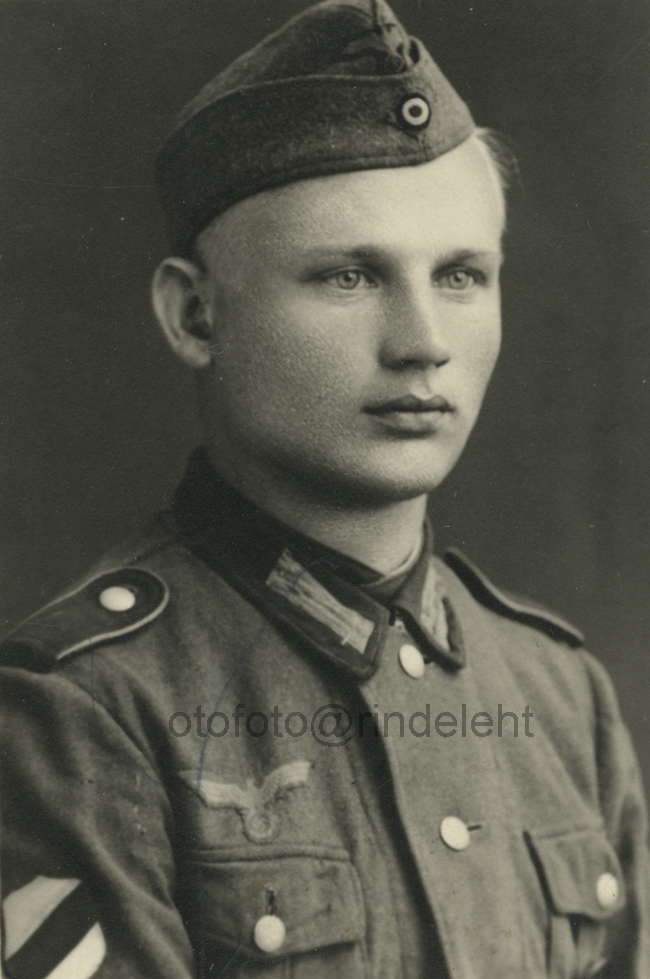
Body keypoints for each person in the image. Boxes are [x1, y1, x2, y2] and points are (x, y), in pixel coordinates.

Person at [1, 1, 649, 976]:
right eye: (349, 276)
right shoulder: (83, 711)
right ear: (195, 315)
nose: (423, 342)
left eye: (461, 275)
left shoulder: (560, 696)